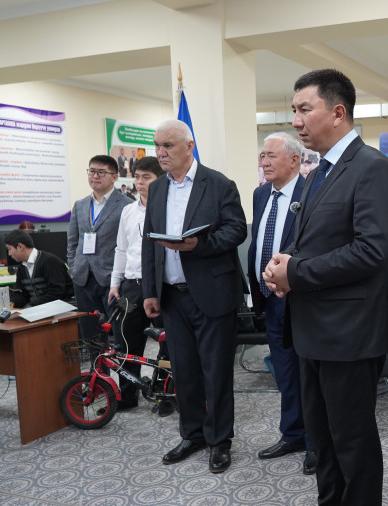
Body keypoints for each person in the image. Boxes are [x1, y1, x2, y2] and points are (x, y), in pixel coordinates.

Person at [263, 69, 388, 505]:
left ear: (338, 113)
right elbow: (313, 240)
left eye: (305, 109)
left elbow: (371, 251)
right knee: (321, 439)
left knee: (351, 441)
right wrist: (282, 264)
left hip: (349, 332)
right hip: (312, 330)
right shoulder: (317, 172)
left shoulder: (373, 168)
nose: (296, 121)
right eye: (294, 110)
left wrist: (297, 273)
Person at [142, 119, 247, 474]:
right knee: (184, 371)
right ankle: (193, 435)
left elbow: (236, 230)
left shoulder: (218, 184)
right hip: (172, 296)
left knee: (215, 372)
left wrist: (198, 245)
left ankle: (219, 440)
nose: (160, 153)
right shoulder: (157, 188)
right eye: (157, 146)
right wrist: (150, 291)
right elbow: (149, 242)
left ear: (189, 146)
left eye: (168, 145)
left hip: (212, 293)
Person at [245, 132, 315, 474]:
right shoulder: (260, 194)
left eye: (271, 155)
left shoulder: (311, 192)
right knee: (285, 372)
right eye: (262, 156)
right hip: (269, 298)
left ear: (294, 160)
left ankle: (316, 444)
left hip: (301, 299)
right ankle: (293, 434)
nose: (264, 162)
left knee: (309, 375)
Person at [108, 156, 172, 415]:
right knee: (126, 341)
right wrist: (115, 282)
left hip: (161, 285)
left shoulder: (168, 209)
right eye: (136, 177)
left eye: (146, 177)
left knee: (167, 343)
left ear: (160, 180)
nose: (139, 182)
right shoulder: (128, 211)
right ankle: (127, 395)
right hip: (132, 285)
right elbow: (121, 249)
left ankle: (166, 395)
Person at [67, 155, 133, 341]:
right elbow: (72, 241)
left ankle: (120, 361)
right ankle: (97, 362)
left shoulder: (127, 205)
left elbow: (130, 245)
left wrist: (121, 276)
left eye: (101, 172)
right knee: (91, 336)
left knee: (120, 334)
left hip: (112, 280)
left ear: (114, 177)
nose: (95, 176)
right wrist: (73, 269)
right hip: (82, 278)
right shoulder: (80, 205)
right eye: (92, 171)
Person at [4, 230, 73, 308]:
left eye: (9, 249)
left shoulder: (50, 261)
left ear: (20, 246)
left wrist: (32, 306)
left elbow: (57, 292)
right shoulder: (22, 268)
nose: (9, 254)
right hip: (44, 308)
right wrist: (13, 303)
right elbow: (23, 294)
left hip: (66, 306)